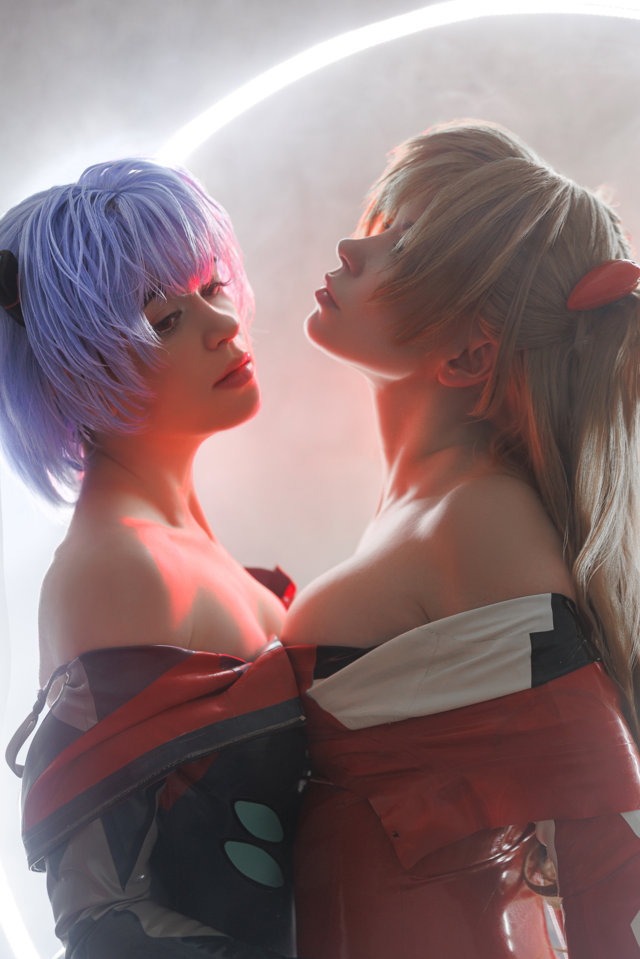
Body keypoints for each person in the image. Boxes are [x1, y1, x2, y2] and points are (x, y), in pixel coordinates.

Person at [282, 121, 640, 958]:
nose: (351, 250)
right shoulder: (435, 508)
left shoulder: (479, 519)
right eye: (381, 228)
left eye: (402, 248)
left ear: (471, 353)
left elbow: (611, 834)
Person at [1, 158, 306, 958]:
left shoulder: (168, 547)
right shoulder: (119, 567)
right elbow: (108, 921)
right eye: (164, 319)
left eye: (212, 286)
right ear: (76, 368)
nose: (223, 324)